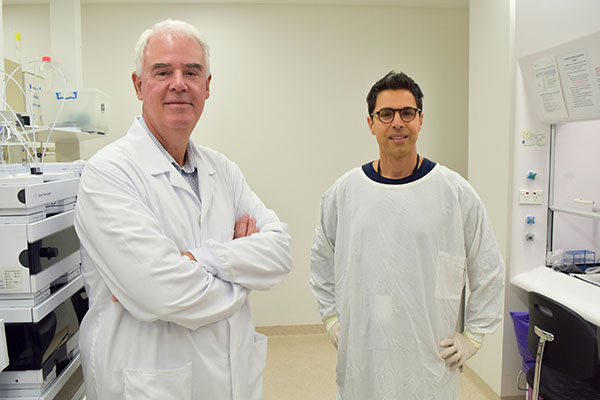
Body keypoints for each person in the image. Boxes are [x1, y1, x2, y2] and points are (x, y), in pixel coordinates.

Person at [74, 19, 292, 400]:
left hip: (233, 379)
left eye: (191, 72)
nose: (179, 83)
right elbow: (163, 292)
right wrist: (243, 274)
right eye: (163, 72)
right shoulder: (108, 174)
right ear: (138, 84)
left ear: (207, 86)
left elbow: (280, 252)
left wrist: (199, 260)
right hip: (153, 384)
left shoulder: (222, 170)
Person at [309, 71, 504, 399]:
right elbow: (321, 258)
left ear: (420, 120)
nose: (397, 123)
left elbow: (488, 266)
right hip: (364, 354)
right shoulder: (345, 192)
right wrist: (330, 317)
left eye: (407, 113)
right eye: (386, 114)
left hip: (427, 356)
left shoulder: (453, 191)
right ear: (371, 123)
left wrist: (473, 336)